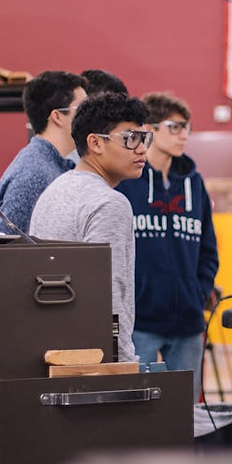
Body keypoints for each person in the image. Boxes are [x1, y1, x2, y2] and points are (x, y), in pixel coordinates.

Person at [29, 92, 151, 363]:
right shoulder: (110, 203)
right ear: (95, 142)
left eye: (144, 139)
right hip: (95, 360)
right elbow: (109, 293)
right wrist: (123, 363)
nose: (142, 149)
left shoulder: (56, 188)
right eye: (131, 138)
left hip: (51, 352)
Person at [116, 92, 219, 402]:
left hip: (188, 322)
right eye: (175, 127)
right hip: (141, 322)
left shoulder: (194, 183)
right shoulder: (128, 181)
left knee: (186, 411)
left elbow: (208, 249)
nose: (184, 135)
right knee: (138, 409)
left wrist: (199, 292)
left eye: (187, 127)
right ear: (151, 130)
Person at [0, 71, 87, 234]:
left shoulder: (51, 165)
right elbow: (7, 245)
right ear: (57, 117)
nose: (89, 115)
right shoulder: (33, 175)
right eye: (83, 108)